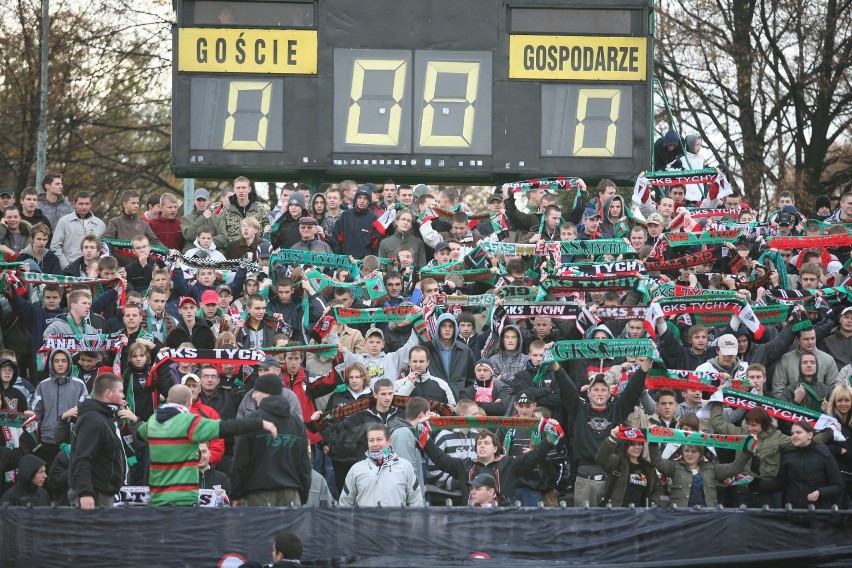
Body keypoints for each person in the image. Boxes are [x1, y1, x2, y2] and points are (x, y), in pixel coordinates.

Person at [136, 384, 278, 506]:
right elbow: (226, 427)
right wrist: (259, 422)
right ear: (189, 402)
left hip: (157, 499)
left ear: (167, 400)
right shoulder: (189, 423)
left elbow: (139, 433)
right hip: (182, 500)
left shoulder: (153, 422)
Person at [555, 356, 652, 507]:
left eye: (603, 390)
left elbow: (633, 388)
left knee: (611, 525)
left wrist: (648, 361)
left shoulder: (618, 410)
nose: (599, 393)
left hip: (612, 476)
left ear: (610, 393)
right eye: (595, 390)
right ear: (589, 393)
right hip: (584, 475)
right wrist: (553, 362)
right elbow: (565, 386)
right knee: (584, 524)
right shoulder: (579, 410)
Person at [230, 373, 312, 506]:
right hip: (292, 495)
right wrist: (302, 496)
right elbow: (305, 464)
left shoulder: (252, 421)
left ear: (265, 392)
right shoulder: (296, 422)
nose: (253, 395)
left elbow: (241, 460)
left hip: (258, 495)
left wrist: (236, 494)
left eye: (256, 391)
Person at [69, 373, 136, 509]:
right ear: (109, 393)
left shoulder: (104, 417)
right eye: (121, 391)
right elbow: (82, 458)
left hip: (102, 492)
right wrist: (85, 493)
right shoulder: (94, 420)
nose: (123, 395)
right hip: (93, 495)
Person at [753, 420, 844, 509]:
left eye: (798, 432)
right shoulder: (788, 455)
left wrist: (820, 492)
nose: (794, 436)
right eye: (792, 433)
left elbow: (837, 485)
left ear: (810, 435)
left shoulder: (824, 454)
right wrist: (755, 483)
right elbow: (779, 484)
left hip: (819, 513)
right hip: (793, 511)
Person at [338, 424, 424, 507]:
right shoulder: (356, 469)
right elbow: (345, 503)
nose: (375, 444)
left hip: (395, 521)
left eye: (379, 439)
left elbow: (416, 501)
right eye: (371, 440)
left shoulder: (405, 466)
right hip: (365, 521)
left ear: (389, 441)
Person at [32, 349, 89, 465]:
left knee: (67, 478)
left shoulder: (79, 384)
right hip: (47, 440)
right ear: (51, 363)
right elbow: (35, 414)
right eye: (56, 361)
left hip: (71, 441)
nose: (60, 364)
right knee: (48, 478)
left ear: (69, 363)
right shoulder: (43, 385)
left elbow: (86, 411)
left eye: (64, 360)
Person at [596, 427, 658, 507]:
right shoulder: (616, 461)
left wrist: (652, 503)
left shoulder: (648, 467)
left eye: (640, 444)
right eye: (633, 444)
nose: (637, 447)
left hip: (640, 516)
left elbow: (658, 488)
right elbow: (600, 458)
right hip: (616, 514)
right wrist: (612, 438)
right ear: (625, 446)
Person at [50, 191, 106, 270]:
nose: (84, 207)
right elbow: (55, 247)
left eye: (87, 204)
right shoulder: (64, 222)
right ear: (74, 204)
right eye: (81, 204)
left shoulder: (100, 225)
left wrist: (96, 266)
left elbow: (104, 249)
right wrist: (66, 266)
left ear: (91, 205)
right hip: (69, 267)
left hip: (93, 270)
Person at [425, 313, 476, 400]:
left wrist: (464, 395)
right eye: (444, 326)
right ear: (438, 328)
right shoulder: (428, 349)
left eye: (451, 326)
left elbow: (471, 379)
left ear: (455, 328)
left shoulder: (465, 351)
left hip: (459, 400)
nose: (447, 329)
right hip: (434, 399)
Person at [102, 190, 163, 261]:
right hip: (119, 267)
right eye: (133, 203)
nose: (136, 206)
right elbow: (105, 241)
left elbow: (155, 241)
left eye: (137, 203)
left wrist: (168, 251)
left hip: (139, 266)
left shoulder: (144, 224)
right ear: (124, 204)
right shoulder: (115, 222)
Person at [331, 184, 380, 257]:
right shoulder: (345, 216)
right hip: (346, 261)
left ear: (369, 201)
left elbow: (376, 244)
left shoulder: (374, 219)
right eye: (359, 197)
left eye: (365, 198)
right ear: (355, 199)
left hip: (364, 263)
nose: (362, 201)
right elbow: (336, 239)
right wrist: (340, 258)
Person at [222, 176, 271, 241]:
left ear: (249, 189)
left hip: (255, 248)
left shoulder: (260, 208)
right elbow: (221, 233)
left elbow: (267, 229)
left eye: (244, 187)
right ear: (234, 190)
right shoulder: (226, 210)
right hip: (234, 248)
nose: (241, 190)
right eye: (238, 188)